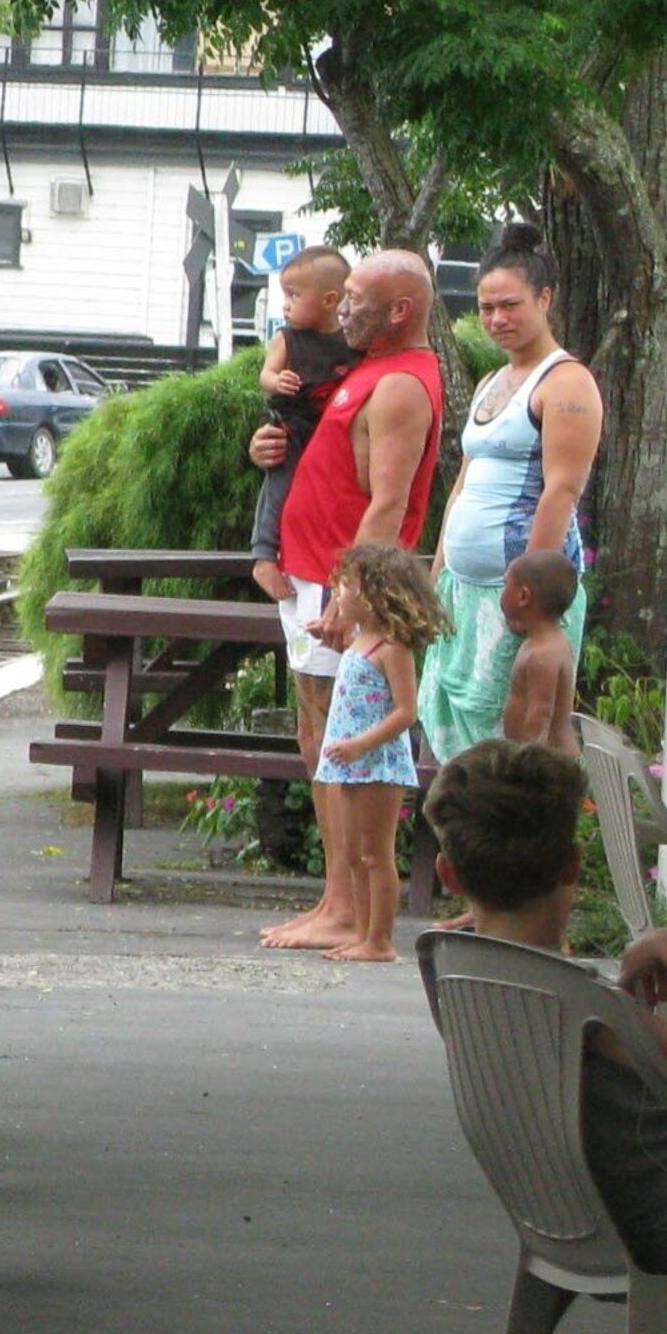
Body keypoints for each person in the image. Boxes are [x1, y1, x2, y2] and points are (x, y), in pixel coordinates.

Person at [427, 738, 667, 1269]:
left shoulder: (465, 974)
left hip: (615, 1219)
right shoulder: (577, 1002)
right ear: (571, 865)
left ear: (448, 874)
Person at [253, 248, 443, 951]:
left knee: (336, 741)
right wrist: (266, 446)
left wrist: (350, 593)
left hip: (335, 584)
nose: (343, 308)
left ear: (400, 310)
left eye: (359, 298)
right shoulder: (363, 369)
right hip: (309, 571)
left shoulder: (398, 384)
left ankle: (347, 908)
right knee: (317, 737)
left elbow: (389, 502)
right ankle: (335, 899)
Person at [421, 223, 600, 761]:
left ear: (545, 299)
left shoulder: (566, 383)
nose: (496, 319)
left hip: (519, 595)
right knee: (454, 748)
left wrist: (526, 593)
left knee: (513, 744)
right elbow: (464, 481)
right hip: (464, 589)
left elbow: (560, 491)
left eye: (510, 305)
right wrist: (439, 575)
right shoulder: (491, 381)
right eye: (485, 307)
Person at [297, 541, 441, 963]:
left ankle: (380, 941)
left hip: (376, 763)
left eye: (345, 589)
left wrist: (363, 743)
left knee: (375, 854)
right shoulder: (360, 642)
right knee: (354, 853)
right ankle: (361, 933)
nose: (338, 596)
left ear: (376, 595)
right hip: (345, 763)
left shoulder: (392, 648)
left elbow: (406, 712)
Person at [247, 246, 356, 603]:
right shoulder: (287, 338)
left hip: (332, 439)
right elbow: (266, 373)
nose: (285, 305)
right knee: (280, 484)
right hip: (293, 425)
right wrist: (276, 382)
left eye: (294, 295)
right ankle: (263, 555)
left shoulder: (354, 344)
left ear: (329, 300)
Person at [496, 548, 585, 752]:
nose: (502, 591)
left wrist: (526, 762)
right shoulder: (548, 640)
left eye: (505, 584)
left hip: (550, 764)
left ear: (523, 596)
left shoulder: (541, 655)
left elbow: (540, 716)